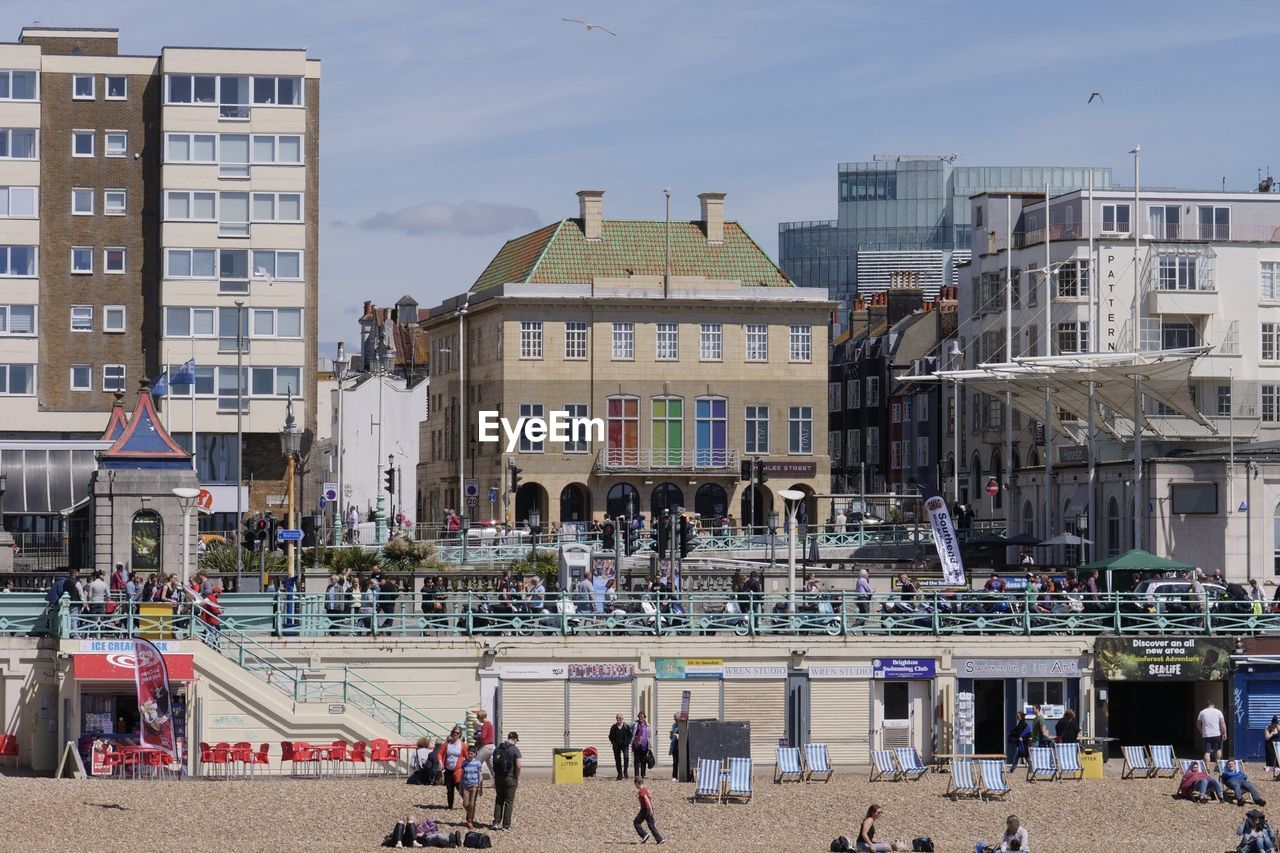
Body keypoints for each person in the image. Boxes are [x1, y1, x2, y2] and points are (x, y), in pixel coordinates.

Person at [434, 724, 470, 809]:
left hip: (458, 769)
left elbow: (467, 756)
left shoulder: (463, 745)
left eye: (457, 733)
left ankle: (467, 803)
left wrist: (468, 766)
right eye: (454, 732)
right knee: (449, 789)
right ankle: (450, 806)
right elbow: (440, 753)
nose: (455, 734)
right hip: (448, 768)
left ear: (460, 734)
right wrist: (440, 762)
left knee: (459, 787)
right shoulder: (447, 744)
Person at [491, 732, 521, 832]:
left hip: (498, 777)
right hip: (510, 778)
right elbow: (518, 765)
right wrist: (516, 777)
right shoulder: (514, 749)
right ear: (515, 739)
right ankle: (506, 826)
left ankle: (495, 823)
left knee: (499, 800)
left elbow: (494, 762)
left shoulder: (498, 747)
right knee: (509, 802)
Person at [632, 774, 664, 845]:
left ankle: (644, 835)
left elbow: (647, 799)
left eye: (635, 785)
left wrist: (650, 809)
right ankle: (659, 839)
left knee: (636, 822)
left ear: (637, 784)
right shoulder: (645, 789)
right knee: (651, 825)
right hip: (649, 809)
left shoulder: (641, 791)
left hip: (645, 809)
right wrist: (651, 808)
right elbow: (649, 797)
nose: (635, 786)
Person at [1199, 699, 1228, 766]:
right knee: (1218, 750)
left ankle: (1208, 768)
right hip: (1216, 734)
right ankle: (1217, 766)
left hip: (1206, 734)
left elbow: (1198, 724)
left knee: (1207, 752)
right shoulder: (1218, 712)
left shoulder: (1202, 712)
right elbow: (1222, 723)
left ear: (1207, 705)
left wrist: (1201, 731)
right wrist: (1224, 733)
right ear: (1214, 705)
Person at [460, 750, 483, 830]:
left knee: (472, 804)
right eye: (468, 753)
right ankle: (470, 814)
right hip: (466, 785)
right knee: (465, 804)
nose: (469, 755)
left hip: (474, 785)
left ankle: (470, 820)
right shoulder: (464, 762)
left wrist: (480, 787)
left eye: (471, 754)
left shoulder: (478, 763)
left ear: (475, 754)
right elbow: (462, 775)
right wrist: (460, 786)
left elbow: (480, 775)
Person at [609, 713, 633, 780]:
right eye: (617, 718)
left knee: (626, 757)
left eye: (619, 718)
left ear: (622, 719)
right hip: (616, 746)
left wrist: (628, 742)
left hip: (624, 745)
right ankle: (619, 774)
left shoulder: (626, 726)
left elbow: (630, 735)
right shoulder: (613, 727)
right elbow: (610, 736)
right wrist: (613, 743)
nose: (618, 719)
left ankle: (625, 772)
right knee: (617, 760)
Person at [473, 708, 496, 772]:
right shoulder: (490, 724)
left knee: (476, 764)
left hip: (486, 747)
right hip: (492, 747)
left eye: (478, 718)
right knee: (492, 768)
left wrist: (475, 737)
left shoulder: (485, 725)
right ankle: (497, 781)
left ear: (480, 717)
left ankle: (475, 780)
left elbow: (483, 737)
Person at [631, 711, 651, 780]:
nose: (641, 718)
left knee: (643, 760)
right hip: (637, 745)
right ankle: (636, 774)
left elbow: (649, 736)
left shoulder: (647, 725)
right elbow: (630, 729)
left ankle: (643, 774)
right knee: (636, 760)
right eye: (639, 717)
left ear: (644, 717)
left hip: (645, 745)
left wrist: (650, 745)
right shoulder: (635, 724)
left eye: (642, 717)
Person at [669, 713, 681, 779]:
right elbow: (671, 737)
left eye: (676, 719)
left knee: (681, 762)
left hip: (680, 746)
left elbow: (683, 736)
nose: (675, 721)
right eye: (675, 719)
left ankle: (681, 776)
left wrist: (676, 735)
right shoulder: (673, 725)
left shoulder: (682, 726)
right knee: (675, 762)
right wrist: (671, 735)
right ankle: (674, 776)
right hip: (674, 745)